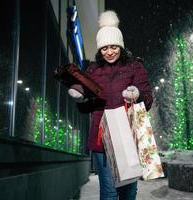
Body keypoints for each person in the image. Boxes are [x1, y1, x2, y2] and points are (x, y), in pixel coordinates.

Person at [68, 10, 153, 200]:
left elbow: (147, 98)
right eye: (104, 48)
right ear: (99, 50)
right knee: (108, 192)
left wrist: (136, 94)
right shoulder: (92, 70)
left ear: (121, 46)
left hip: (128, 135)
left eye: (114, 46)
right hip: (102, 137)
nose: (109, 52)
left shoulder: (135, 66)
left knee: (128, 192)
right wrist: (81, 98)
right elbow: (87, 108)